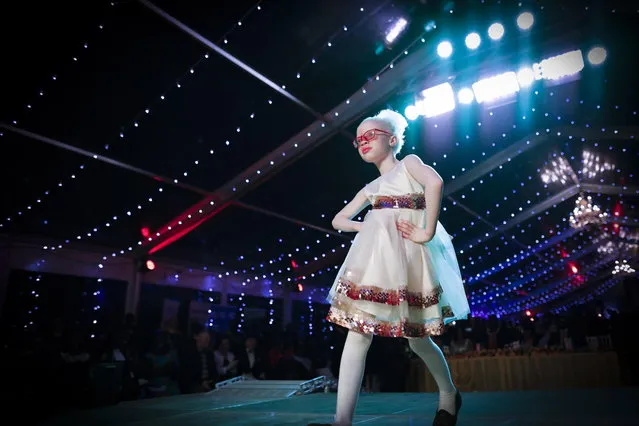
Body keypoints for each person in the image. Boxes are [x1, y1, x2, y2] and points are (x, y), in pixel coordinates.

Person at [308, 110, 470, 426]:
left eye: (372, 135)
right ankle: (342, 421)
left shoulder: (408, 163)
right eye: (358, 139)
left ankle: (448, 393)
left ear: (392, 140)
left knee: (417, 338)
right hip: (377, 263)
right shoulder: (371, 188)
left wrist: (426, 230)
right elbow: (337, 219)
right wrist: (367, 226)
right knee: (358, 332)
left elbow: (435, 182)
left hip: (410, 261)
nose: (363, 141)